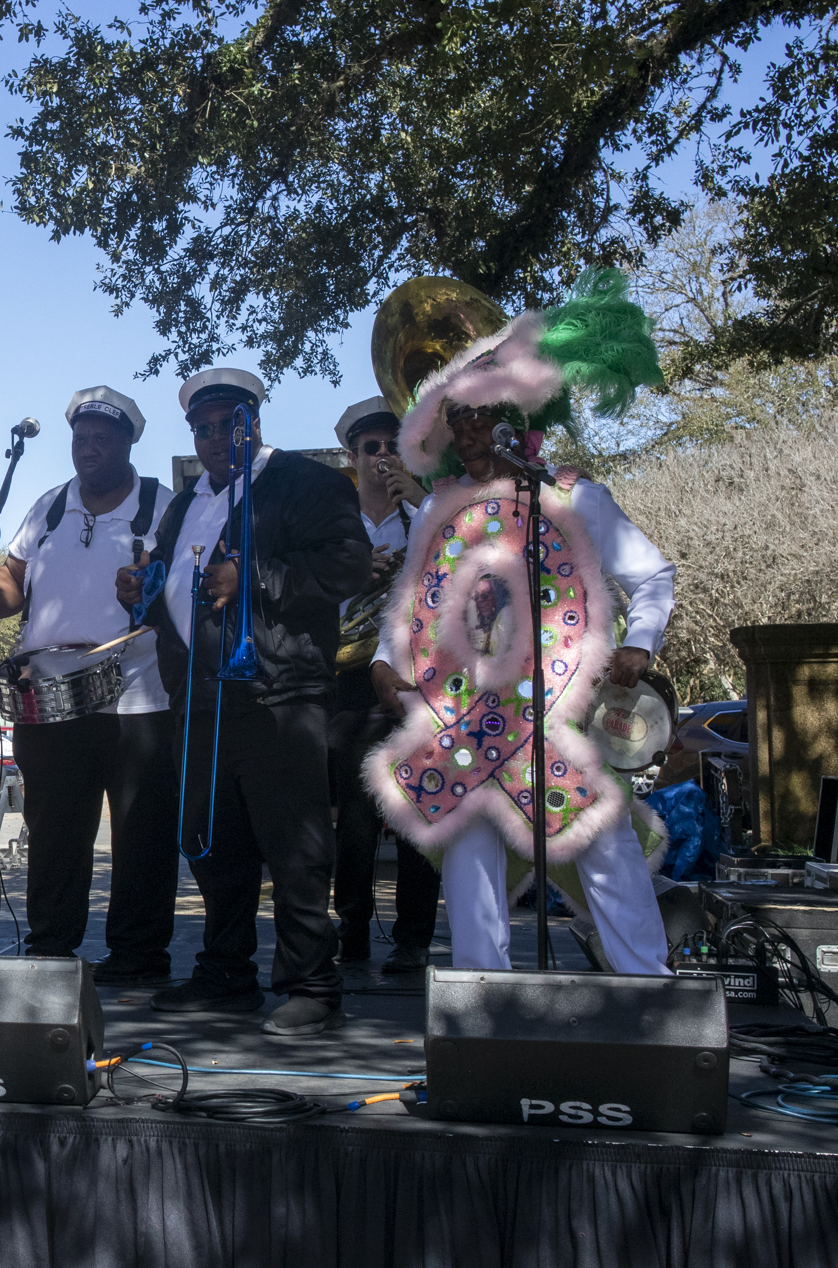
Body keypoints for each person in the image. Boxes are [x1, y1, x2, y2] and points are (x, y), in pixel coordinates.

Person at [366, 271, 675, 975]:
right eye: (460, 420)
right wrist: (387, 660)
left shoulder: (572, 496)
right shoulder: (439, 511)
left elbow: (652, 575)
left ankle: (653, 1004)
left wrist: (637, 643)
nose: (472, 432)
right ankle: (481, 1017)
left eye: (485, 415)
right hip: (466, 727)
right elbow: (412, 605)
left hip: (556, 724)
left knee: (605, 855)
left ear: (520, 416)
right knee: (469, 876)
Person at [118, 368, 371, 1036]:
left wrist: (255, 576)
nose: (210, 438)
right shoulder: (184, 502)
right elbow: (175, 589)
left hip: (277, 692)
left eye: (225, 423)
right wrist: (139, 588)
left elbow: (348, 564)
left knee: (294, 845)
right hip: (199, 699)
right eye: (199, 428)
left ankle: (311, 981)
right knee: (212, 846)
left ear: (252, 421)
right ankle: (226, 972)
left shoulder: (304, 482)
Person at [0, 386, 179, 987]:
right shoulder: (50, 506)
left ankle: (137, 955)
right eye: (81, 439)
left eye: (103, 439)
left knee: (140, 829)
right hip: (49, 698)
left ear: (129, 444)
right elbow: (14, 579)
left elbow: (184, 579)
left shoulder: (160, 504)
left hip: (136, 692)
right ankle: (52, 947)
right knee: (54, 827)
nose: (89, 449)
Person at [326, 397, 442, 973]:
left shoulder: (427, 514)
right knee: (355, 817)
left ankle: (413, 938)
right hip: (349, 682)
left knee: (417, 808)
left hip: (416, 680)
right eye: (371, 448)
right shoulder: (334, 519)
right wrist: (354, 576)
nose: (383, 457)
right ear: (353, 455)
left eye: (393, 446)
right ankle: (351, 928)